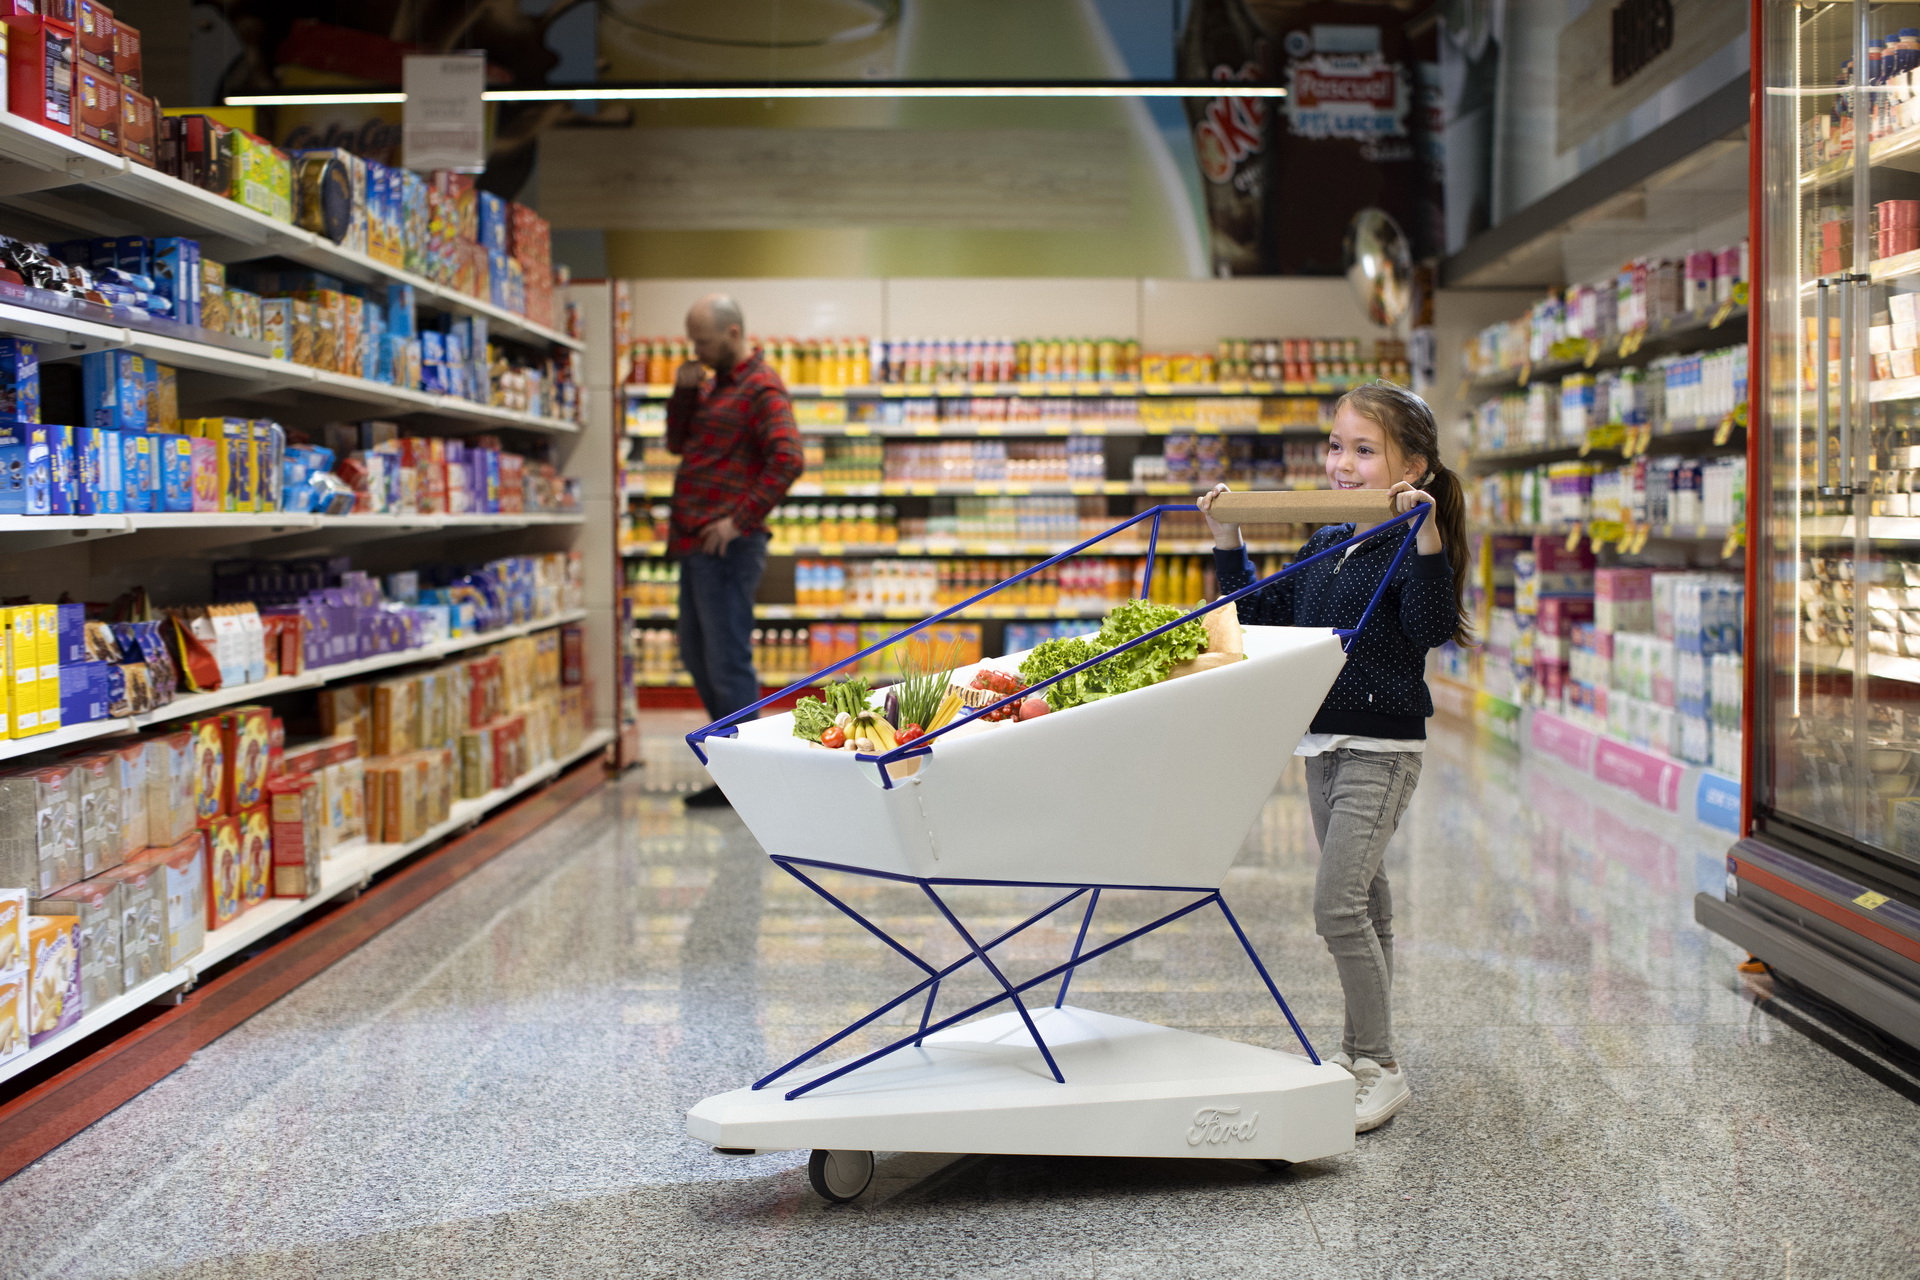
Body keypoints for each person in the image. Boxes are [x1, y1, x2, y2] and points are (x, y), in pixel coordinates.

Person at [1197, 380, 1470, 1133]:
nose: (1341, 463)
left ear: (1411, 464)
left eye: (1362, 449)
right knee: (1368, 904)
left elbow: (1429, 627)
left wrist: (1426, 537)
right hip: (1322, 746)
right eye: (1335, 446)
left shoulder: (1406, 544)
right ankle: (1358, 1055)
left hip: (1381, 748)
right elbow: (1256, 613)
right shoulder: (1326, 544)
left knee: (1336, 905)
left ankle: (1381, 1064)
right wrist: (1229, 538)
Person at [666, 294, 805, 808]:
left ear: (731, 334)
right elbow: (677, 445)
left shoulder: (761, 387)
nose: (695, 351)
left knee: (726, 660)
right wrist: (683, 396)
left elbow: (788, 458)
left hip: (728, 548)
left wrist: (738, 520)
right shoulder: (713, 386)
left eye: (702, 341)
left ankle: (747, 777)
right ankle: (736, 763)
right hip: (694, 545)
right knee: (695, 653)